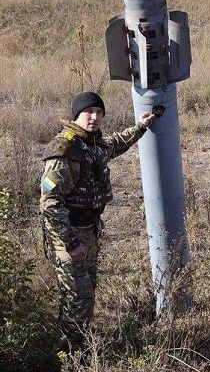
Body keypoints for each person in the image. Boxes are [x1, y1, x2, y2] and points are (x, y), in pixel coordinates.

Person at [40, 91, 155, 352]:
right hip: (68, 236)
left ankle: (73, 349)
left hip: (89, 231)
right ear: (76, 115)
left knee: (84, 295)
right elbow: (50, 203)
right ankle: (69, 356)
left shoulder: (94, 144)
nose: (93, 117)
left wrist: (141, 126)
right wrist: (70, 243)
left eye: (98, 112)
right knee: (79, 300)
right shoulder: (64, 149)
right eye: (87, 112)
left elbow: (116, 144)